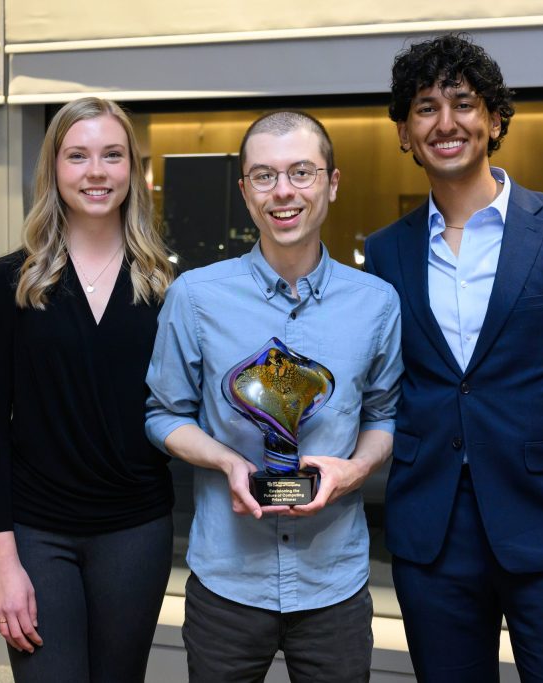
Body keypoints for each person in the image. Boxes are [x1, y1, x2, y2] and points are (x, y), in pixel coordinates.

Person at [364, 34, 543, 682]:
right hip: (433, 536)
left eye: (463, 103)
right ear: (405, 132)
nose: (446, 122)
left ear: (494, 119)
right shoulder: (386, 251)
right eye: (426, 108)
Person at [146, 110, 403, 682]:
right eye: (264, 175)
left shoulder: (376, 303)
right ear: (245, 190)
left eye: (302, 172)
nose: (283, 191)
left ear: (332, 184)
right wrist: (227, 462)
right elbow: (164, 414)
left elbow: (384, 415)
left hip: (333, 582)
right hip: (227, 581)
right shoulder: (195, 297)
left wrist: (356, 470)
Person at [0, 97, 176, 682]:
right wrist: (1, 562)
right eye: (78, 156)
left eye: (112, 155)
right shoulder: (12, 281)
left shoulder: (165, 285)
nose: (96, 172)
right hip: (37, 533)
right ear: (54, 169)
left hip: (136, 531)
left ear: (132, 168)